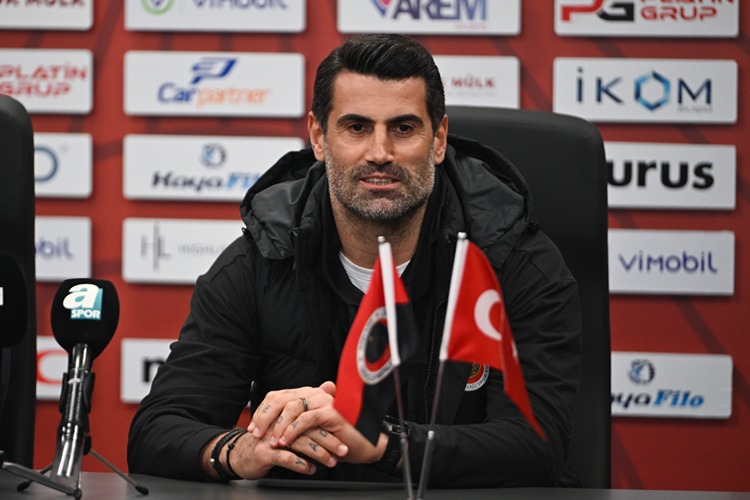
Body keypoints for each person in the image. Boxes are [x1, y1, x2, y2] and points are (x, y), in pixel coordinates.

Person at [127, 33, 582, 488]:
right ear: (318, 137)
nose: (380, 153)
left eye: (403, 128)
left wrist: (385, 443)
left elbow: (537, 446)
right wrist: (239, 450)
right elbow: (156, 431)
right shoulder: (260, 260)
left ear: (439, 139)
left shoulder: (514, 265)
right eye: (357, 128)